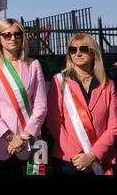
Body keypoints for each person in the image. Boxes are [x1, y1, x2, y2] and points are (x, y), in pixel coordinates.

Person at [0, 18, 47, 175]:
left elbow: (41, 105)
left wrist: (24, 136)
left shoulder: (34, 65)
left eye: (17, 34)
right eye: (7, 34)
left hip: (30, 140)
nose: (13, 38)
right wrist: (10, 137)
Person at [46, 33, 116, 175]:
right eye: (73, 49)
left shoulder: (108, 85)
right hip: (69, 160)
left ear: (93, 52)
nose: (78, 53)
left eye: (83, 49)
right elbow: (54, 122)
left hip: (101, 159)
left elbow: (114, 126)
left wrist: (92, 155)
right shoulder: (59, 81)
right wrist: (77, 155)